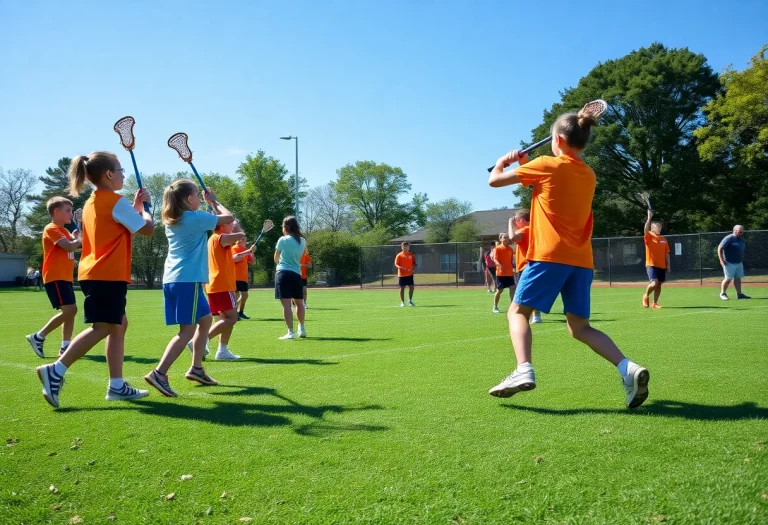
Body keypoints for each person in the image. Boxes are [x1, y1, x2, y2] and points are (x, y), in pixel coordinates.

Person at [487, 108, 649, 409]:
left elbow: (494, 181)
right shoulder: (588, 174)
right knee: (579, 327)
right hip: (580, 260)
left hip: (548, 255)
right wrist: (526, 165)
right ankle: (628, 368)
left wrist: (501, 163)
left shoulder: (546, 164)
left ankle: (523, 368)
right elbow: (550, 187)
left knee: (518, 313)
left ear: (558, 139)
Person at [35, 152, 154, 408]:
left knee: (119, 324)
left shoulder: (94, 201)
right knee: (102, 328)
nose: (123, 174)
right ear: (109, 174)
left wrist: (135, 206)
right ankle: (55, 370)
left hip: (95, 272)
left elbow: (119, 223)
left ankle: (117, 385)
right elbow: (147, 229)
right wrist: (146, 211)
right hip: (106, 274)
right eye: (120, 170)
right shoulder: (114, 201)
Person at [143, 180, 231, 398]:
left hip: (177, 279)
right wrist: (214, 201)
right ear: (190, 199)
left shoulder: (174, 219)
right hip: (187, 280)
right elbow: (228, 219)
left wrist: (207, 204)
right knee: (186, 332)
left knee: (206, 320)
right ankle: (159, 373)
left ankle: (197, 368)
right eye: (197, 196)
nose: (199, 200)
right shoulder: (194, 217)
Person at [26, 197, 82, 358]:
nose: (71, 214)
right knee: (69, 310)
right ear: (56, 212)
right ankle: (39, 336)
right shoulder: (52, 228)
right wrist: (77, 238)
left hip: (64, 277)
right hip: (55, 276)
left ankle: (65, 346)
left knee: (72, 310)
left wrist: (80, 226)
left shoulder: (64, 231)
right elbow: (71, 245)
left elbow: (79, 242)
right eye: (68, 211)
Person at [206, 213, 246, 360]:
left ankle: (222, 350)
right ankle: (202, 339)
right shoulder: (220, 237)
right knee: (232, 318)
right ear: (222, 226)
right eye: (229, 224)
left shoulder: (215, 239)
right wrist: (238, 228)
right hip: (222, 284)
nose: (231, 225)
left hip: (215, 285)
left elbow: (227, 258)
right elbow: (240, 235)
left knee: (225, 319)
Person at [274, 216, 307, 339]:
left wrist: (281, 261)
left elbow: (276, 258)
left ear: (286, 227)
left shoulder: (283, 240)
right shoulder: (302, 241)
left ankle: (290, 332)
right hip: (296, 274)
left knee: (287, 305)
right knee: (300, 303)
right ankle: (302, 328)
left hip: (283, 273)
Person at [509, 210, 542, 324]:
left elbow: (513, 237)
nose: (515, 222)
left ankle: (526, 316)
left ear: (522, 220)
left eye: (517, 220)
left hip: (525, 266)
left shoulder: (526, 229)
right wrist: (515, 226)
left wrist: (510, 223)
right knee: (530, 292)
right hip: (530, 265)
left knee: (523, 294)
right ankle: (535, 314)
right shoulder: (532, 229)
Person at [642, 210, 670, 309]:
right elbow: (645, 229)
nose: (659, 228)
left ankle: (655, 303)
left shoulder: (664, 239)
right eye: (657, 226)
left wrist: (668, 265)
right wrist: (649, 217)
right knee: (654, 283)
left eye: (660, 226)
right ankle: (646, 296)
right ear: (652, 228)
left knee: (659, 284)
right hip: (651, 264)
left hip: (661, 265)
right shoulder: (649, 236)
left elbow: (667, 253)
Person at [231, 222, 256, 320]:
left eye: (245, 239)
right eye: (243, 239)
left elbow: (253, 262)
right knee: (236, 295)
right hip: (234, 276)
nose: (245, 241)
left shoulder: (246, 249)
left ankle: (240, 312)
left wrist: (252, 252)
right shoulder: (234, 248)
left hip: (243, 277)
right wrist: (248, 251)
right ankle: (235, 313)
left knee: (245, 295)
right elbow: (236, 259)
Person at [719, 225, 750, 300]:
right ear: (735, 230)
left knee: (737, 278)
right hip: (729, 262)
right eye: (740, 231)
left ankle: (739, 294)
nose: (741, 233)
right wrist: (721, 260)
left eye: (742, 232)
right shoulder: (729, 238)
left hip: (738, 263)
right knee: (728, 278)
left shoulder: (741, 240)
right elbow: (720, 248)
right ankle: (723, 293)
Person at [492, 233, 515, 313]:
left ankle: (512, 307)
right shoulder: (497, 249)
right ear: (500, 239)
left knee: (512, 288)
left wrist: (514, 267)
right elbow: (495, 259)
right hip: (500, 273)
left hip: (509, 273)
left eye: (507, 237)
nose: (506, 239)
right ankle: (495, 306)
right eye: (504, 237)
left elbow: (511, 261)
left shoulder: (510, 249)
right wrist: (500, 265)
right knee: (500, 290)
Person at [395, 242, 417, 307]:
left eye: (407, 246)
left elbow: (414, 263)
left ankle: (410, 300)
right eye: (404, 246)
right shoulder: (399, 255)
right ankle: (402, 302)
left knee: (412, 287)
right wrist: (401, 268)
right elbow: (396, 264)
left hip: (410, 274)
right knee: (402, 288)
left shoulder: (411, 255)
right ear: (402, 247)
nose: (406, 247)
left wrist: (412, 269)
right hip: (401, 275)